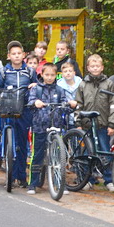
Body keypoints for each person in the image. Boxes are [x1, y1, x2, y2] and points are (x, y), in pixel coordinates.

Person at [0, 40, 38, 188]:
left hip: (24, 109)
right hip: (8, 108)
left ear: (24, 55)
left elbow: (37, 87)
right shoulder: (4, 71)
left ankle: (22, 176)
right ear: (8, 56)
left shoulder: (30, 71)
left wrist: (35, 86)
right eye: (14, 54)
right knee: (9, 142)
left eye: (19, 53)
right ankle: (10, 175)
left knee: (22, 143)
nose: (17, 56)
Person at [27, 62, 76, 194]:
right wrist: (35, 102)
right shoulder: (36, 89)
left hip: (56, 125)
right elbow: (30, 101)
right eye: (47, 74)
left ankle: (60, 184)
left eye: (52, 75)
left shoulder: (60, 89)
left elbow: (65, 105)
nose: (49, 77)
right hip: (40, 126)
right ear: (42, 74)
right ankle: (33, 184)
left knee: (58, 156)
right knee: (37, 155)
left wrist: (70, 105)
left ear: (56, 75)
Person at [74, 54, 114, 190]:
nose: (95, 68)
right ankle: (88, 179)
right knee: (88, 153)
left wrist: (112, 124)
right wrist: (78, 122)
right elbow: (78, 105)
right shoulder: (82, 84)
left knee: (105, 152)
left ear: (102, 67)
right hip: (87, 126)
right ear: (88, 68)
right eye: (92, 66)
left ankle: (109, 179)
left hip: (103, 125)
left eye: (97, 66)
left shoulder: (109, 84)